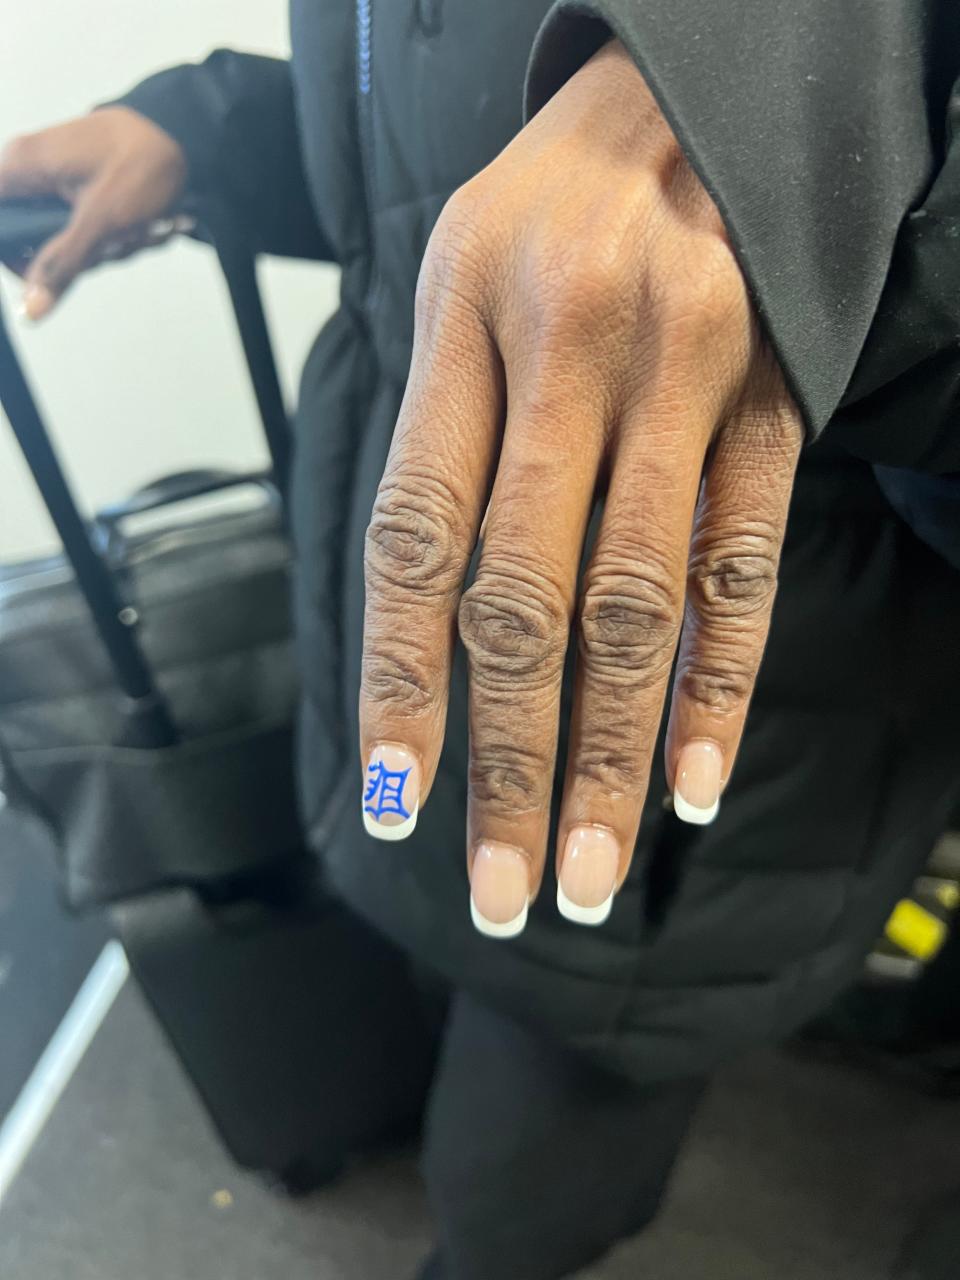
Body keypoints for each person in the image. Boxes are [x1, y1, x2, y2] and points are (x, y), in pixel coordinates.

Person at [2, 4, 958, 1277]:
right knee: (420, 986)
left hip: (696, 798)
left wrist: (778, 195)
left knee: (521, 1186)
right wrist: (210, 127)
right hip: (403, 631)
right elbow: (429, 142)